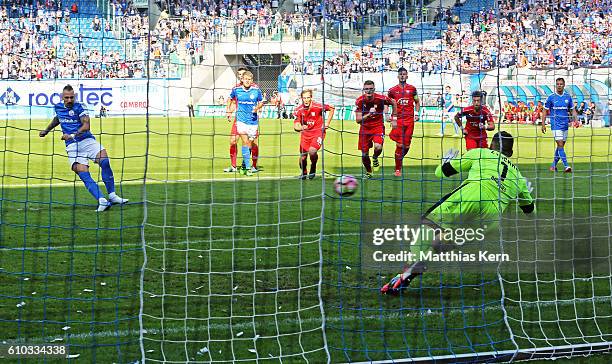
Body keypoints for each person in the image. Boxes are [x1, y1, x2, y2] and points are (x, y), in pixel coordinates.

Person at [381, 131, 535, 295]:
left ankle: (408, 269)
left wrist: (445, 162)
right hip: (491, 219)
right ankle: (407, 277)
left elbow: (442, 172)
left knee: (428, 225)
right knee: (440, 245)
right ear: (510, 153)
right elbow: (530, 211)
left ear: (491, 145)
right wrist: (524, 196)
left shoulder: (480, 153)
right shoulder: (518, 177)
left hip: (470, 196)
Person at [39, 85, 128, 212]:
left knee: (105, 161)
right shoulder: (58, 107)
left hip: (87, 140)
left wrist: (71, 135)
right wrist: (46, 130)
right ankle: (102, 200)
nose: (69, 100)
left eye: (71, 97)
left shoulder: (80, 106)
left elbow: (86, 125)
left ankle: (112, 195)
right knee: (83, 173)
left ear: (74, 96)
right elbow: (57, 119)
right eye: (66, 98)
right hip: (72, 147)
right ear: (62, 97)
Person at [355, 80, 397, 179]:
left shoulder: (381, 98)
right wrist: (369, 114)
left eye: (370, 89)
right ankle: (369, 172)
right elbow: (358, 120)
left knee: (378, 147)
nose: (368, 91)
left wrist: (394, 118)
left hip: (378, 127)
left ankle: (375, 157)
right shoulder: (360, 101)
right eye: (366, 89)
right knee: (364, 155)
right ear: (363, 90)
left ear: (374, 89)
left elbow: (394, 102)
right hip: (365, 129)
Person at [226, 71, 264, 176]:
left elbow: (261, 102)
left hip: (252, 121)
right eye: (244, 78)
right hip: (241, 120)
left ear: (251, 80)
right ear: (241, 79)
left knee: (251, 143)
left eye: (249, 79)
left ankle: (247, 164)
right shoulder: (236, 89)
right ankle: (245, 168)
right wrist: (228, 110)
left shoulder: (256, 90)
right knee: (242, 141)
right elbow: (231, 99)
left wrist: (257, 108)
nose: (247, 81)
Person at [293, 89, 335, 179]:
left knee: (312, 151)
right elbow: (296, 125)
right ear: (301, 99)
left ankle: (313, 165)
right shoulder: (299, 110)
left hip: (318, 132)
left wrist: (327, 122)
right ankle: (303, 172)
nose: (306, 100)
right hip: (305, 135)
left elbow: (332, 108)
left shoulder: (318, 106)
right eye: (304, 98)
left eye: (308, 97)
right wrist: (300, 127)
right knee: (303, 158)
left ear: (311, 98)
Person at [387, 67, 420, 177]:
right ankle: (398, 169)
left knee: (406, 147)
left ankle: (399, 159)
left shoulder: (412, 89)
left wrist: (417, 113)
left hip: (410, 120)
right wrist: (387, 115)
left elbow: (417, 102)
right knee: (400, 145)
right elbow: (387, 103)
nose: (402, 76)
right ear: (398, 76)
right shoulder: (392, 90)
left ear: (407, 76)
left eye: (404, 74)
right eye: (400, 74)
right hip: (398, 120)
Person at [541, 78, 578, 173]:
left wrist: (576, 120)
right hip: (555, 125)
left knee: (560, 146)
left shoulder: (568, 97)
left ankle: (553, 166)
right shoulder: (551, 97)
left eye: (561, 84)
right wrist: (543, 123)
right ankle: (566, 166)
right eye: (557, 84)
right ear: (555, 85)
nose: (559, 85)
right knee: (560, 144)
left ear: (564, 85)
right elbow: (545, 110)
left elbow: (572, 110)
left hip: (565, 125)